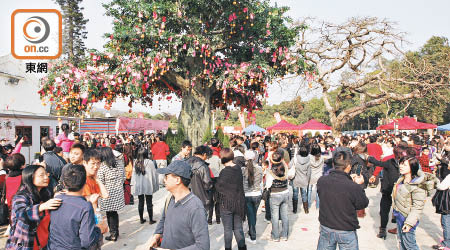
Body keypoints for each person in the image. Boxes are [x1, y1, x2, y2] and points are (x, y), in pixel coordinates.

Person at [149, 160, 210, 250]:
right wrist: (156, 236)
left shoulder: (195, 207)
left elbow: (203, 246)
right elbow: (163, 220)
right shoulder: (170, 198)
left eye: (166, 176)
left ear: (177, 180)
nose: (164, 180)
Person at [316, 151, 369, 250]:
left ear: (333, 164)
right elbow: (362, 204)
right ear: (349, 166)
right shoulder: (353, 187)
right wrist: (359, 186)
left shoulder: (322, 181)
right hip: (346, 229)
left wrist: (351, 182)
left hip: (326, 226)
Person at [47, 164, 108, 250]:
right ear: (84, 182)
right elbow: (87, 241)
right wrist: (99, 230)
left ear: (64, 183)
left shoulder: (57, 199)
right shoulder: (85, 207)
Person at [5, 165, 62, 249]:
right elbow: (21, 214)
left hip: (44, 244)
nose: (46, 177)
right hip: (24, 245)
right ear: (30, 177)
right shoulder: (21, 196)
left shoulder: (46, 194)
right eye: (41, 175)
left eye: (46, 174)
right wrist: (41, 207)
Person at [392, 157, 430, 250]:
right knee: (402, 243)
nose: (401, 166)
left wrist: (409, 223)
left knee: (410, 245)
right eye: (400, 163)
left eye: (404, 165)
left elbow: (417, 208)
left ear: (412, 167)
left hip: (408, 218)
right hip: (399, 215)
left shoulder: (418, 185)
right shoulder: (401, 178)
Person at [368, 146, 405, 238]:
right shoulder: (408, 163)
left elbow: (378, 163)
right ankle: (399, 228)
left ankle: (383, 230)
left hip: (389, 189)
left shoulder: (390, 161)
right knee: (401, 210)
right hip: (400, 191)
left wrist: (369, 158)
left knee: (384, 210)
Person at [216, 148, 247, 250]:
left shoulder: (224, 172)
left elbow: (219, 187)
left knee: (228, 230)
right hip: (239, 203)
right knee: (238, 229)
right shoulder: (238, 169)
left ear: (223, 158)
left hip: (226, 204)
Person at [97, 147, 125, 241]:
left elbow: (100, 180)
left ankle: (113, 234)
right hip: (118, 191)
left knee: (110, 213)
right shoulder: (119, 163)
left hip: (107, 192)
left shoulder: (103, 165)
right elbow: (123, 177)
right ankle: (115, 232)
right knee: (114, 213)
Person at [265, 152, 289, 242]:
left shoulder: (271, 171)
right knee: (285, 215)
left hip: (275, 194)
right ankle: (284, 235)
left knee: (275, 216)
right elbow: (289, 176)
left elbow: (268, 185)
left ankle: (275, 236)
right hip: (285, 192)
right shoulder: (285, 168)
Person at [132, 147, 159, 224]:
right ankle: (151, 220)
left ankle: (141, 219)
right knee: (149, 202)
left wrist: (133, 186)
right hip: (148, 185)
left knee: (140, 202)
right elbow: (154, 174)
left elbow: (134, 176)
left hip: (139, 185)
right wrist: (155, 184)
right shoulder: (150, 162)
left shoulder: (136, 162)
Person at [242, 150, 263, 244]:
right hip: (257, 194)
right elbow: (261, 181)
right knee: (253, 215)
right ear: (254, 158)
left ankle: (253, 237)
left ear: (245, 158)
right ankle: (251, 232)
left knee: (251, 216)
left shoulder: (242, 169)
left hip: (247, 195)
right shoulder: (259, 168)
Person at [186, 145, 213, 211]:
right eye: (207, 157)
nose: (207, 159)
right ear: (204, 154)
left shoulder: (186, 162)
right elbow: (207, 185)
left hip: (186, 198)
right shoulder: (203, 166)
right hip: (200, 200)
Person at [291, 145, 311, 214]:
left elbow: (289, 166)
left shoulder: (295, 159)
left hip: (295, 179)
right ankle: (306, 210)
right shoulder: (308, 160)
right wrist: (307, 181)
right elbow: (309, 173)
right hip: (304, 180)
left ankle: (295, 210)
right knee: (304, 195)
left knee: (295, 195)